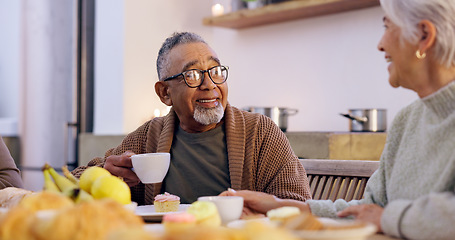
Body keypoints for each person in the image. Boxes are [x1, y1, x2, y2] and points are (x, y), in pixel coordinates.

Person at [221, 0, 455, 239]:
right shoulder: (407, 121)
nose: (380, 44)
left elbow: (383, 214)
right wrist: (281, 206)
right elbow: (367, 210)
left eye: (387, 27)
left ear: (424, 35)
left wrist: (387, 218)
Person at [72, 32, 311, 205]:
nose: (210, 85)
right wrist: (106, 173)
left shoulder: (260, 132)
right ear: (165, 93)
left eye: (216, 72)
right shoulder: (148, 137)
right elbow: (71, 184)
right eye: (193, 75)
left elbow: (297, 204)